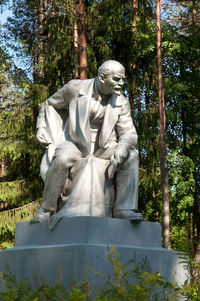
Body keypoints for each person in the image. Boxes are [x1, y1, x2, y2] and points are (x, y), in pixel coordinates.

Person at [31, 60, 143, 224]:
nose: (121, 83)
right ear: (102, 77)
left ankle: (123, 209)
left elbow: (129, 133)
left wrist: (123, 147)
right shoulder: (75, 88)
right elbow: (49, 104)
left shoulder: (122, 102)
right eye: (117, 79)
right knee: (61, 159)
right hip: (75, 143)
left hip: (104, 147)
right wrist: (42, 127)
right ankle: (47, 209)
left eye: (122, 79)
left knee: (132, 156)